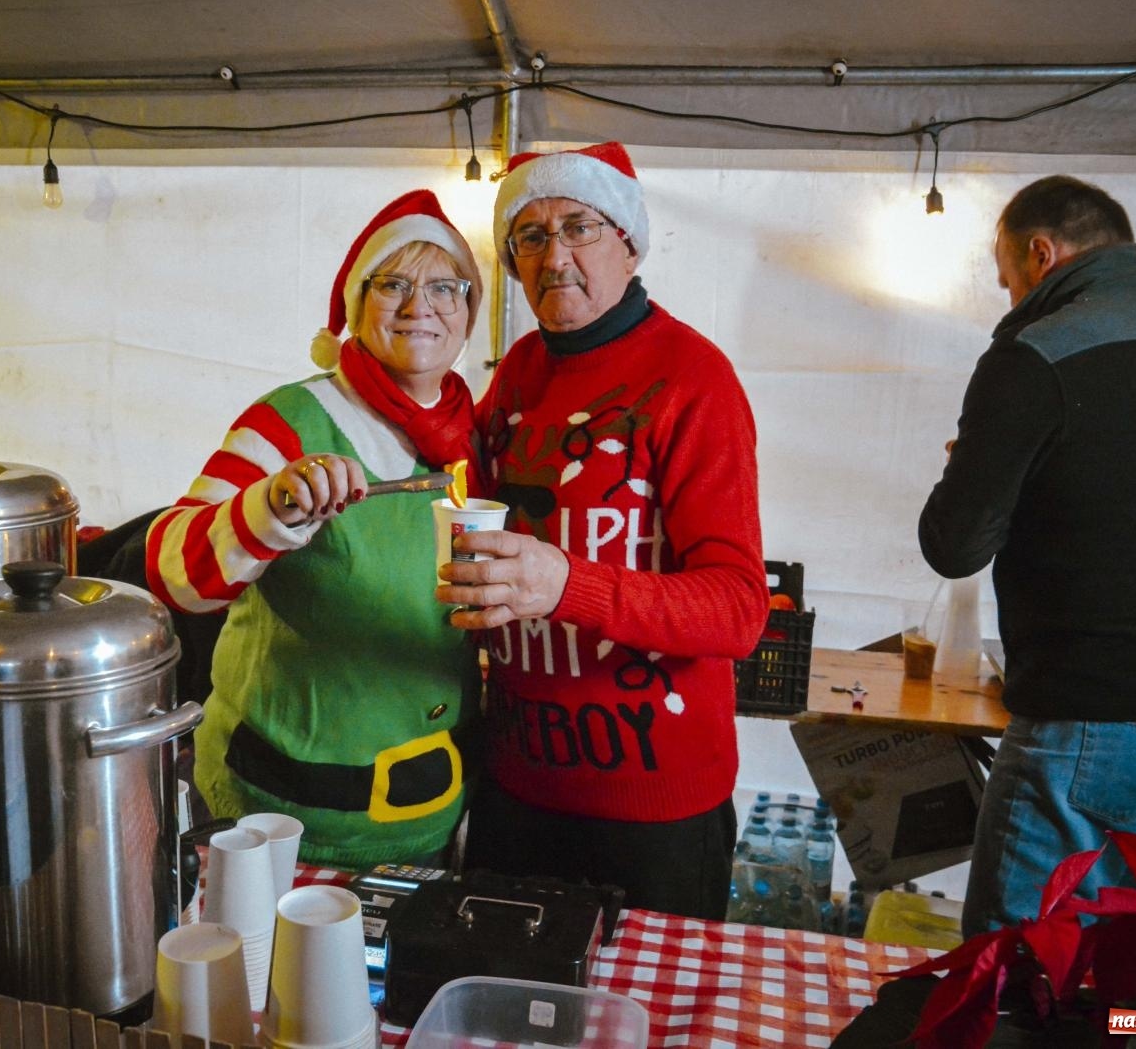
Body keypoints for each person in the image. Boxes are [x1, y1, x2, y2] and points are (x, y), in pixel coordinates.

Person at [918, 175, 1136, 936]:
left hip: (1101, 712)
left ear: (1042, 253)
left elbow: (954, 545)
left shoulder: (1037, 351)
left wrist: (984, 473)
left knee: (1017, 965)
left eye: (1009, 278)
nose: (1009, 299)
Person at [435, 142, 770, 920]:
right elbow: (463, 496)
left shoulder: (693, 379)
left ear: (627, 240)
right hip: (516, 791)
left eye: (579, 227)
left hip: (651, 814)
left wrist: (564, 584)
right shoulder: (518, 369)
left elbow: (738, 609)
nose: (556, 256)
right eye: (531, 235)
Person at [146, 189, 484, 871]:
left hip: (430, 809)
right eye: (393, 284)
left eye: (446, 286)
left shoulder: (471, 435)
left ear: (469, 313)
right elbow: (172, 570)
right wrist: (272, 507)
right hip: (280, 816)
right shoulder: (289, 420)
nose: (422, 306)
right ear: (354, 308)